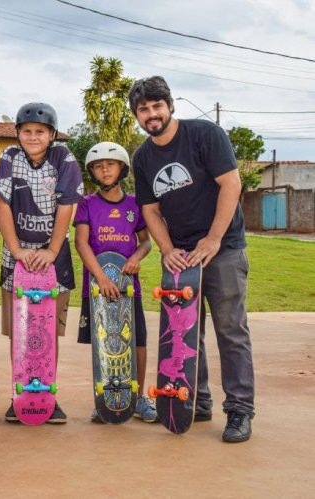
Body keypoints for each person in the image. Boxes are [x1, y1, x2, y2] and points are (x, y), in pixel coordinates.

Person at [128, 75, 254, 443]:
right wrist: (167, 249)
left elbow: (231, 185)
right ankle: (195, 402)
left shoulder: (204, 135)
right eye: (143, 110)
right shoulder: (143, 157)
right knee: (185, 332)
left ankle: (240, 411)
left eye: (157, 106)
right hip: (182, 254)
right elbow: (150, 210)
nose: (151, 115)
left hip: (224, 247)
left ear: (170, 106)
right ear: (137, 115)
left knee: (230, 330)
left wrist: (213, 239)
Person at [0, 102, 83, 424]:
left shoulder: (63, 158)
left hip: (53, 255)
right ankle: (19, 394)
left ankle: (48, 396)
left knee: (47, 330)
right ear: (17, 133)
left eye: (40, 132)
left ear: (52, 134)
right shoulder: (9, 157)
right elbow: (0, 203)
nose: (33, 137)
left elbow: (67, 206)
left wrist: (52, 251)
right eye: (26, 131)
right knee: (19, 330)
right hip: (17, 256)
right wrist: (15, 249)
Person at [73, 141, 156, 423]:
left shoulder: (135, 205)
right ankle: (105, 399)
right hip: (97, 287)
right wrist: (100, 276)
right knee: (103, 342)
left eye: (110, 164)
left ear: (122, 168)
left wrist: (136, 257)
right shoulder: (86, 204)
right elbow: (81, 244)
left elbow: (147, 243)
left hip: (128, 287)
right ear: (92, 172)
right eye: (98, 166)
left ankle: (139, 397)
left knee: (138, 342)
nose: (104, 169)